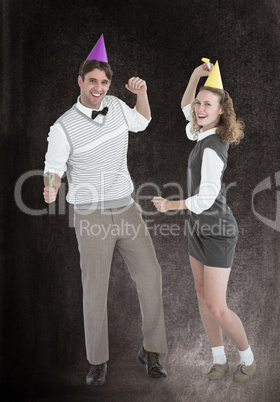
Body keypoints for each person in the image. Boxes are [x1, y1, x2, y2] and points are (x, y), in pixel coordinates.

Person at [43, 35, 168, 386]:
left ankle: (153, 352)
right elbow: (54, 164)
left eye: (104, 81)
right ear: (80, 81)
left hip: (127, 209)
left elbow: (142, 121)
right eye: (92, 81)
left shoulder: (115, 105)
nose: (99, 87)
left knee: (151, 276)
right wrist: (51, 185)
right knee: (95, 288)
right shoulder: (63, 125)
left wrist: (141, 92)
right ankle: (97, 362)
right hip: (90, 216)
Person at [152, 61, 256, 383]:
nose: (198, 108)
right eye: (199, 102)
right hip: (199, 227)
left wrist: (172, 205)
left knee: (217, 306)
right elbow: (185, 107)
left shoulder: (211, 147)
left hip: (218, 230)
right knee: (200, 292)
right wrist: (197, 77)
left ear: (221, 111)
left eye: (206, 104)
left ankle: (248, 359)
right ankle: (219, 359)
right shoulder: (201, 132)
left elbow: (207, 198)